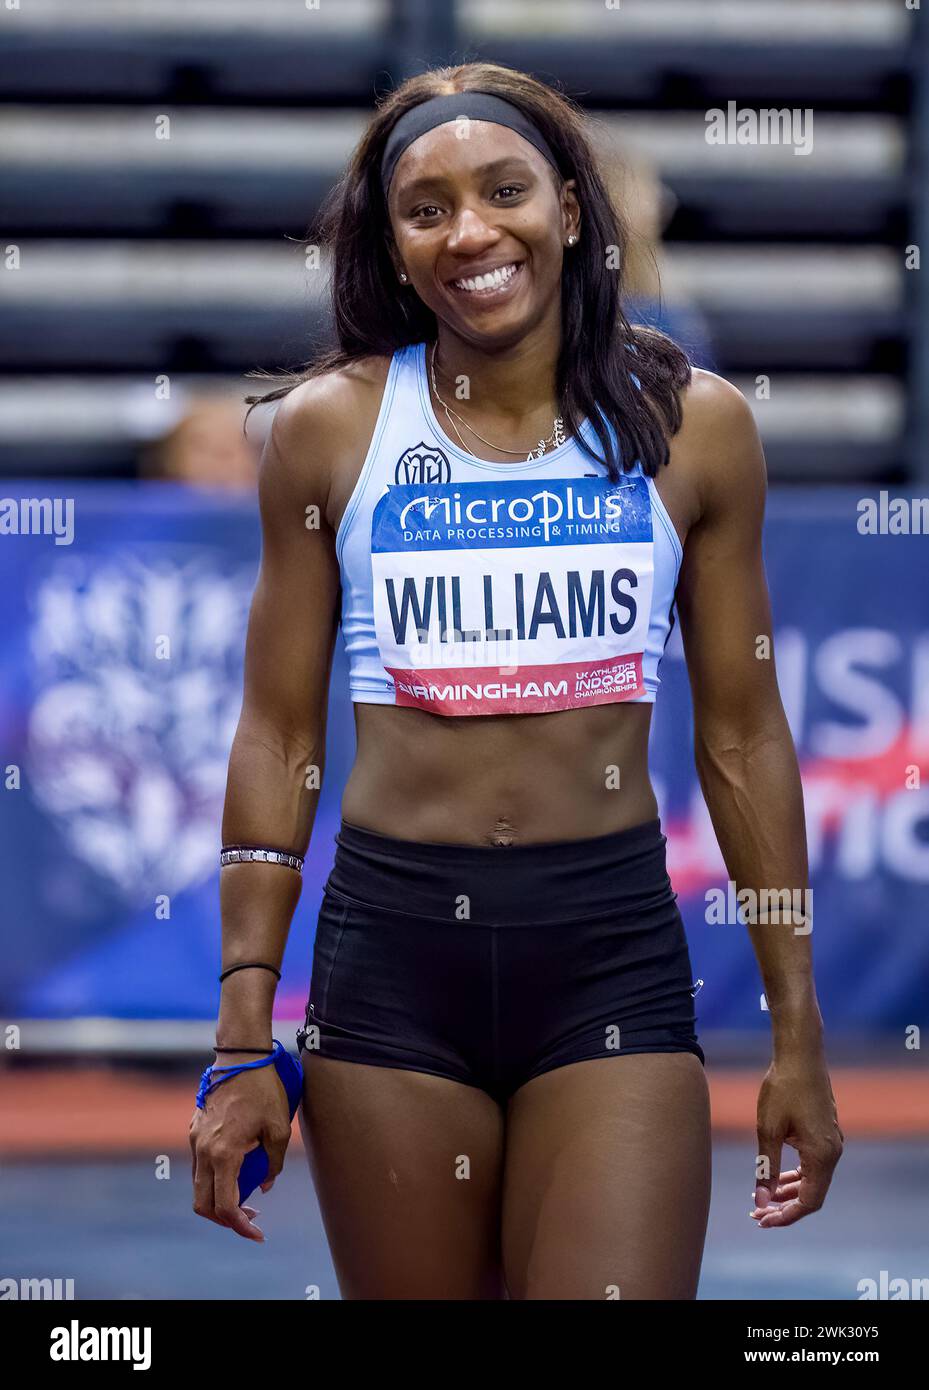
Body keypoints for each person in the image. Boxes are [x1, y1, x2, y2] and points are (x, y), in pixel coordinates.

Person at [189, 62, 843, 1300]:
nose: (470, 232)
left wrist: (797, 1037)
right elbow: (278, 738)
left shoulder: (690, 424)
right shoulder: (327, 429)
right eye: (424, 209)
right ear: (389, 245)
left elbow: (745, 740)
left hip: (605, 952)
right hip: (391, 966)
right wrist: (239, 1041)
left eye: (503, 191)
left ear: (572, 209)